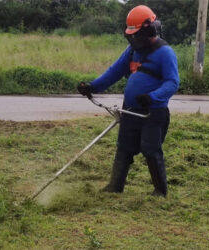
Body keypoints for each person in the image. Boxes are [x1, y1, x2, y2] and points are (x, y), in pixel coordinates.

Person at [77, 5, 179, 197]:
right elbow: (114, 71)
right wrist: (92, 87)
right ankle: (115, 186)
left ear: (150, 29)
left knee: (150, 149)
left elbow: (173, 82)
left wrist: (152, 97)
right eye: (131, 36)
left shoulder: (165, 53)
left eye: (137, 35)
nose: (133, 39)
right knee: (124, 147)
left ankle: (160, 190)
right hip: (130, 110)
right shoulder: (132, 51)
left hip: (153, 111)